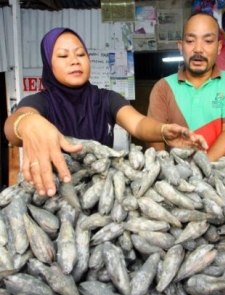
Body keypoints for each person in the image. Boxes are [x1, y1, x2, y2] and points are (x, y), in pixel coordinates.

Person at [4, 27, 208, 197]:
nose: (75, 60)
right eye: (63, 55)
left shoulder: (107, 99)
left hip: (102, 192)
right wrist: (28, 123)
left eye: (81, 54)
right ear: (49, 64)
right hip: (53, 194)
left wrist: (163, 130)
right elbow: (12, 127)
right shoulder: (40, 102)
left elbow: (137, 124)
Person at [147, 12, 225, 161]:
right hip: (176, 178)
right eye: (190, 41)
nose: (198, 49)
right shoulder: (163, 87)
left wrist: (202, 170)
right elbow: (153, 135)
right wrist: (166, 170)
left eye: (208, 41)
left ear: (219, 47)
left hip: (221, 176)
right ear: (180, 46)